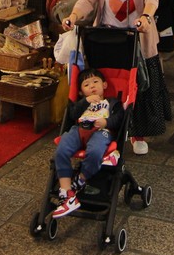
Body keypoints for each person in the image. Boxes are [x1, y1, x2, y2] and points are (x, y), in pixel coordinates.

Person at [65, 0, 163, 153]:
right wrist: (73, 16)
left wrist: (146, 17)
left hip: (136, 39)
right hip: (107, 38)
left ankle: (137, 132)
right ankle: (103, 126)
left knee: (139, 84)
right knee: (110, 84)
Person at [51, 68, 124, 217]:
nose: (92, 86)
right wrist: (85, 102)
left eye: (95, 82)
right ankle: (67, 193)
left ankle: (81, 178)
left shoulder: (111, 102)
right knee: (61, 150)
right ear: (80, 92)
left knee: (96, 151)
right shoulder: (81, 103)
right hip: (79, 130)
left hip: (100, 131)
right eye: (86, 85)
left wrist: (106, 121)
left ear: (104, 85)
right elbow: (72, 114)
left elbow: (119, 118)